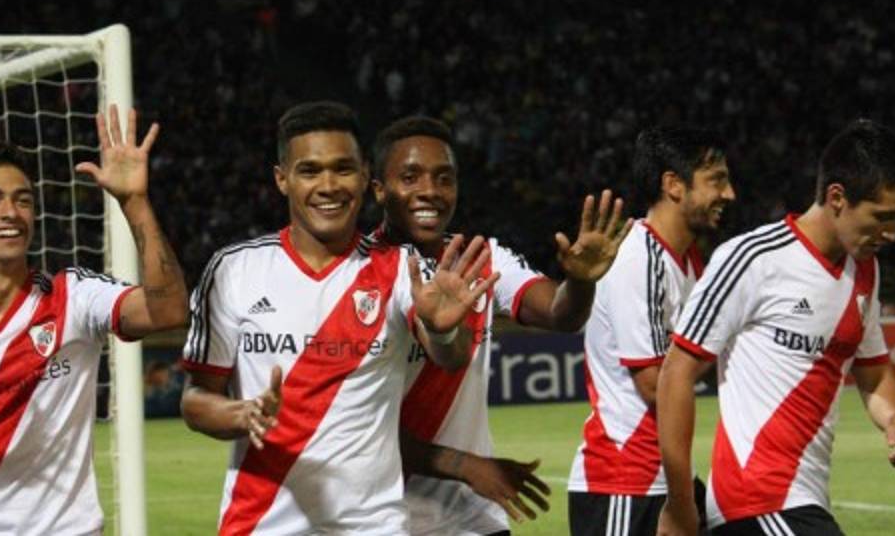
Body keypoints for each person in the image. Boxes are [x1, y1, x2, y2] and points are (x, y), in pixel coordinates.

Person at [179, 101, 498, 535]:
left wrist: (443, 330)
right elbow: (196, 400)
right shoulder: (234, 270)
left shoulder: (399, 268)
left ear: (365, 176)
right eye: (310, 171)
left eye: (343, 169)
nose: (328, 186)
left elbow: (451, 356)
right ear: (282, 179)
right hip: (261, 524)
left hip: (372, 527)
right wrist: (242, 413)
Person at [0, 106, 189, 534]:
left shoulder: (75, 296)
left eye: (23, 200)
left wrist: (134, 202)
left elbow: (170, 309)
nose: (11, 211)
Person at [657, 120, 895, 536]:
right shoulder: (752, 259)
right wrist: (678, 503)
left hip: (802, 501)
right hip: (753, 499)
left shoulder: (864, 271)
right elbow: (676, 373)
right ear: (837, 197)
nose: (892, 234)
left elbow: (873, 372)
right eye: (882, 217)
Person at [369, 115, 631, 535]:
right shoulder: (353, 275)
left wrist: (581, 280)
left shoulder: (481, 259)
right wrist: (464, 465)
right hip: (381, 519)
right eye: (410, 177)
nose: (430, 191)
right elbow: (353, 427)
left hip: (473, 520)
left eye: (444, 178)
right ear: (379, 189)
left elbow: (561, 314)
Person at [566, 126, 734, 535]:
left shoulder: (688, 260)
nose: (729, 194)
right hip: (624, 483)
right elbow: (656, 384)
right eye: (717, 181)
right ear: (673, 185)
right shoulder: (640, 258)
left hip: (662, 476)